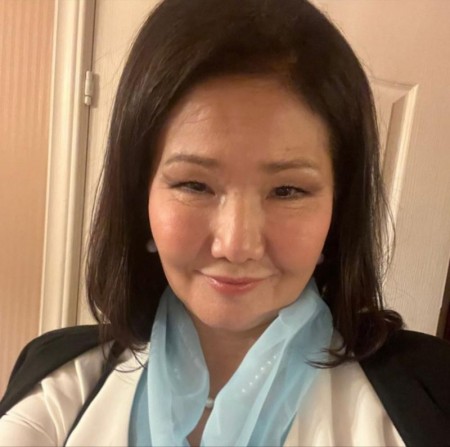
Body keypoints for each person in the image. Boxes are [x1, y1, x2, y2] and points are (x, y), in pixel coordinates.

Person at [1, 0, 449, 445]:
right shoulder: (58, 388)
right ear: (140, 199)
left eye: (287, 191)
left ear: (339, 208)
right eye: (195, 185)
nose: (236, 245)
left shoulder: (431, 397)